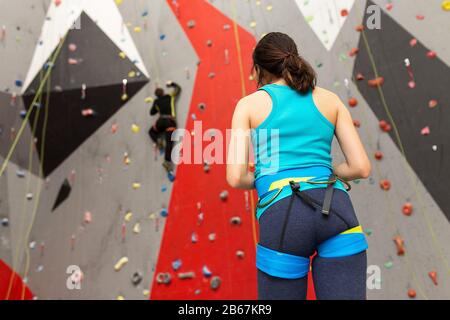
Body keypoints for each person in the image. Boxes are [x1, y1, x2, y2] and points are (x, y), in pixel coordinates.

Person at [226, 32, 371, 300]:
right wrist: (328, 174)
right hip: (336, 208)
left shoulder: (248, 105)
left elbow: (235, 177)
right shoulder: (330, 100)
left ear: (258, 69)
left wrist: (262, 177)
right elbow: (361, 168)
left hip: (283, 218)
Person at [149, 81, 182, 172]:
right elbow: (178, 89)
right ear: (163, 92)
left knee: (151, 131)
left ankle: (158, 140)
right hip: (170, 122)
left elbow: (151, 113)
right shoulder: (169, 96)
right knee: (169, 143)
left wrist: (156, 105)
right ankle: (167, 162)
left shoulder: (156, 102)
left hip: (161, 122)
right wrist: (171, 84)